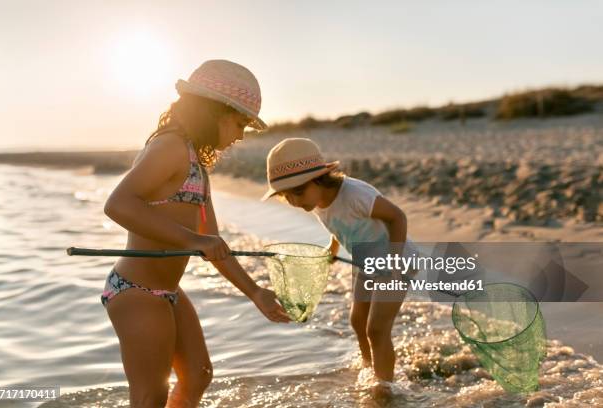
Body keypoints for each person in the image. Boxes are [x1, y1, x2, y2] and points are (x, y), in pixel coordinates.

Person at [102, 59, 290, 408]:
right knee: (150, 394)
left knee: (199, 375)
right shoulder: (169, 147)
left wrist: (255, 293)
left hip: (168, 292)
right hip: (136, 292)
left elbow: (213, 241)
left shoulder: (197, 167)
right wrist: (193, 240)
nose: (240, 136)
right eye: (239, 124)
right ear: (213, 113)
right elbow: (118, 204)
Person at [261, 137, 418, 390]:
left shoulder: (356, 194)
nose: (295, 201)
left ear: (320, 179)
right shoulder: (316, 201)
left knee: (377, 329)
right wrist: (332, 249)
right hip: (366, 262)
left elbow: (397, 217)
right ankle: (369, 367)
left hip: (397, 261)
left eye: (298, 192)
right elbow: (338, 225)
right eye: (287, 196)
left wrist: (395, 263)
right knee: (358, 321)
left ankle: (385, 389)